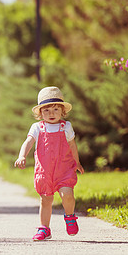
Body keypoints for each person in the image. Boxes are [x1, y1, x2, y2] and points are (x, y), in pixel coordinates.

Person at [14, 86, 84, 241]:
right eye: (46, 110)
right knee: (45, 199)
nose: (51, 114)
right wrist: (22, 156)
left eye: (55, 110)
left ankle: (70, 217)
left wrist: (77, 162)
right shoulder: (37, 128)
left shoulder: (66, 127)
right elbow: (28, 142)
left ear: (62, 111)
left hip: (64, 169)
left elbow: (72, 145)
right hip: (45, 172)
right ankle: (44, 228)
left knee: (67, 194)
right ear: (40, 113)